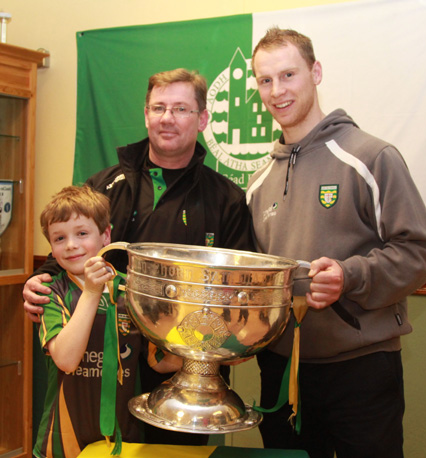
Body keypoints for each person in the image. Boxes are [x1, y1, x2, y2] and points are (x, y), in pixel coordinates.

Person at [24, 68, 255, 446]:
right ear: (145, 113)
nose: (167, 118)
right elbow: (69, 248)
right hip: (102, 372)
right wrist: (41, 279)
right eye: (158, 107)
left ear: (202, 119)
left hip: (181, 380)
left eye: (181, 108)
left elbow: (238, 295)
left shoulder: (226, 199)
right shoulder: (103, 185)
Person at [247, 27, 426, 458]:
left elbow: (420, 250)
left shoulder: (371, 157)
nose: (277, 91)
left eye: (288, 75)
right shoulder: (257, 184)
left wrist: (349, 277)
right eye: (265, 80)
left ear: (315, 72)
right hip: (282, 371)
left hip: (361, 370)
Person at [33, 185, 182, 458]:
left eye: (82, 233)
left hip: (125, 437)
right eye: (59, 238)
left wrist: (194, 338)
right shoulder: (51, 293)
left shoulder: (131, 291)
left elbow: (160, 361)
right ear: (51, 248)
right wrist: (91, 291)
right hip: (64, 440)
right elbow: (65, 360)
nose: (71, 245)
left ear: (106, 236)